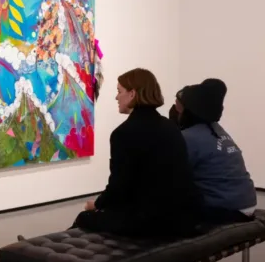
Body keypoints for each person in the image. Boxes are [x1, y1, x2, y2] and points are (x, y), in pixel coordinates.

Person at [75, 68, 201, 238]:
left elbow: (119, 187)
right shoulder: (170, 127)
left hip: (150, 223)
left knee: (84, 217)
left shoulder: (123, 133)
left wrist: (97, 204)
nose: (116, 97)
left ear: (132, 94)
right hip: (183, 218)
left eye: (119, 91)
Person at [174, 78, 257, 224]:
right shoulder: (217, 130)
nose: (176, 112)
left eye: (178, 108)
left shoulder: (189, 137)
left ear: (188, 110)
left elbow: (174, 174)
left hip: (226, 209)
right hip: (247, 202)